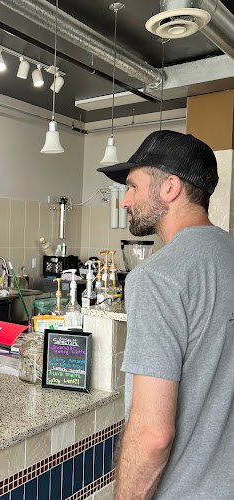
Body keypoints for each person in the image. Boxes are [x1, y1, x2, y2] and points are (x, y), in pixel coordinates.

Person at [97, 130, 234, 499]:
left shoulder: (157, 277)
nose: (125, 201)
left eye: (133, 186)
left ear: (170, 187)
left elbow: (152, 435)